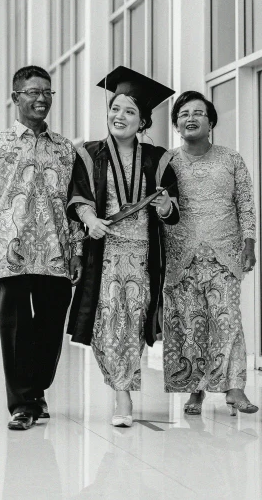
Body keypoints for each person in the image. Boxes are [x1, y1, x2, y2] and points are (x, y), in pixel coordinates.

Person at [0, 65, 83, 431]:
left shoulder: (66, 149)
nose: (42, 98)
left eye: (47, 92)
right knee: (14, 329)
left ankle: (36, 388)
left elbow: (76, 202)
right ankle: (22, 404)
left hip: (55, 253)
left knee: (48, 331)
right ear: (16, 98)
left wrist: (77, 249)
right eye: (33, 91)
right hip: (8, 252)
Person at [67, 66, 179, 427]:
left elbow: (173, 206)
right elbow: (78, 195)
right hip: (106, 253)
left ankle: (123, 397)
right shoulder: (89, 153)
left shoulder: (158, 158)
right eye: (116, 108)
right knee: (106, 324)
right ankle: (120, 389)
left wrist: (166, 207)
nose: (120, 116)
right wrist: (90, 219)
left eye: (130, 111)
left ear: (143, 121)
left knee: (132, 322)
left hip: (143, 256)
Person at [163, 91, 258, 415]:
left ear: (211, 121)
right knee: (189, 325)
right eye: (184, 113)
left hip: (224, 254)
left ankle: (235, 388)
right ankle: (195, 391)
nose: (191, 118)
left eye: (199, 113)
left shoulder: (231, 158)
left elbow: (245, 203)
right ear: (176, 123)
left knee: (228, 320)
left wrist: (249, 242)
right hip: (180, 257)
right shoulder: (167, 162)